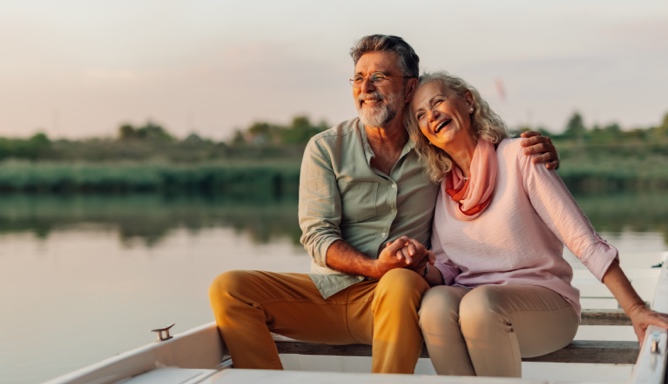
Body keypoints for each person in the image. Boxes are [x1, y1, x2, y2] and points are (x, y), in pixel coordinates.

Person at [208, 35, 558, 374]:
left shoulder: (434, 143)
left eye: (379, 77)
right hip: (330, 294)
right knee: (230, 288)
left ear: (409, 88)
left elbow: (481, 148)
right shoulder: (325, 147)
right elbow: (317, 237)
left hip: (402, 296)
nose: (366, 87)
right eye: (358, 78)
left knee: (400, 281)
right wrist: (375, 267)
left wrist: (534, 149)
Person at [405, 71, 668, 377]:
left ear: (468, 102)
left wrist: (635, 309)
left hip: (544, 304)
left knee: (479, 306)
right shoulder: (443, 189)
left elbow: (583, 240)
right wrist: (419, 265)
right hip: (474, 299)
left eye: (438, 102)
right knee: (434, 305)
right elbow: (447, 267)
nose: (431, 116)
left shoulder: (521, 156)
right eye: (421, 115)